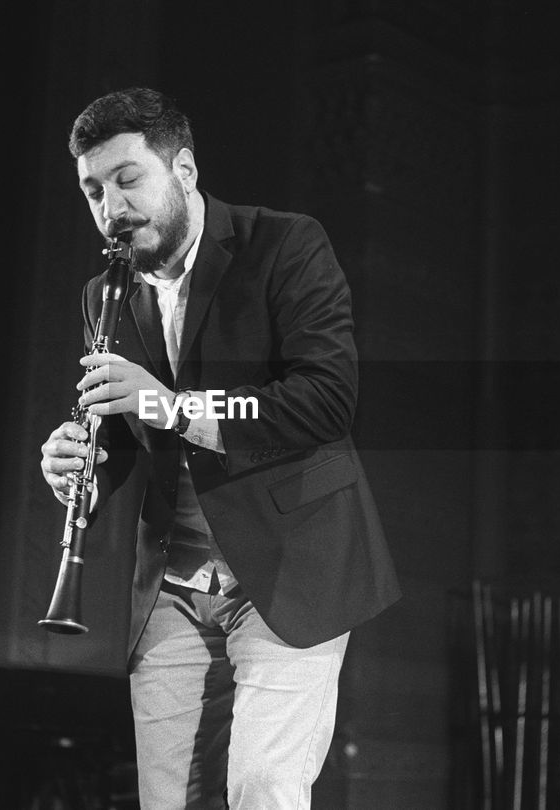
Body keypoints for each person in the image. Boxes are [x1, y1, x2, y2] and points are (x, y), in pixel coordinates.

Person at [39, 87, 400, 809]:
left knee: (262, 788)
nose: (111, 208)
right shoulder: (102, 295)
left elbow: (326, 401)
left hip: (289, 565)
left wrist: (172, 407)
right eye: (92, 191)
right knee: (171, 801)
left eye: (127, 179)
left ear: (185, 170)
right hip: (174, 587)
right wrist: (79, 462)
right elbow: (123, 433)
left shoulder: (285, 246)